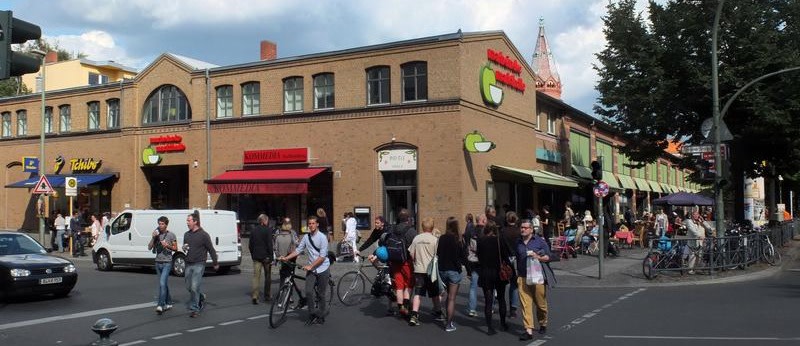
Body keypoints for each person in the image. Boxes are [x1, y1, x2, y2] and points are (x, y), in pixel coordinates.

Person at [278, 215, 331, 325]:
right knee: (308, 291)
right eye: (309, 224)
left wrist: (311, 266)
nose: (311, 225)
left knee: (321, 294)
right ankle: (312, 314)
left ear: (317, 224)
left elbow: (322, 257)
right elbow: (298, 250)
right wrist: (286, 257)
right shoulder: (306, 238)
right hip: (312, 270)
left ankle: (321, 315)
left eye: (313, 223)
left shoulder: (322, 238)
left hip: (322, 269)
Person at [516, 219, 554, 341]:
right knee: (525, 304)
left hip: (537, 277)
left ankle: (543, 323)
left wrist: (537, 257)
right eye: (521, 227)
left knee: (540, 304)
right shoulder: (518, 242)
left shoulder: (540, 242)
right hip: (522, 276)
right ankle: (528, 330)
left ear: (531, 229)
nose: (522, 229)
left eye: (525, 228)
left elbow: (549, 257)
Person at [476, 220, 510, 335]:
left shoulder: (480, 240)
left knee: (488, 300)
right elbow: (506, 256)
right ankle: (503, 323)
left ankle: (489, 327)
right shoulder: (500, 240)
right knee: (501, 298)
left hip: (485, 271)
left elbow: (479, 257)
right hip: (498, 271)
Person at [407, 217, 443, 326]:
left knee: (418, 293)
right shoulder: (435, 240)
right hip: (431, 271)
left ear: (422, 227)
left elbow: (411, 254)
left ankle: (414, 314)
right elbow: (438, 255)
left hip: (419, 270)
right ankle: (438, 311)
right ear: (432, 227)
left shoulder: (416, 238)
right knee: (434, 293)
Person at [183, 211, 219, 318]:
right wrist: (184, 248)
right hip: (188, 263)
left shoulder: (204, 235)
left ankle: (195, 309)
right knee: (188, 287)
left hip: (199, 263)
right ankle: (201, 296)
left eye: (189, 221)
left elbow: (211, 249)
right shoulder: (187, 234)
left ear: (195, 222)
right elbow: (185, 247)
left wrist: (215, 262)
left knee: (194, 287)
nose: (187, 223)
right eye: (187, 221)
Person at [386, 208, 417, 318]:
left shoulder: (392, 229)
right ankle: (406, 305)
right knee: (409, 284)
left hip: (394, 261)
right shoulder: (411, 231)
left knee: (399, 285)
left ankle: (400, 308)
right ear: (408, 219)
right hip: (406, 261)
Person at [437, 217, 465, 332]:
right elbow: (462, 255)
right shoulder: (458, 239)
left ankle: (444, 315)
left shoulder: (442, 238)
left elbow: (438, 253)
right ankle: (449, 324)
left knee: (447, 295)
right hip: (454, 270)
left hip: (443, 270)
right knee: (452, 298)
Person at [148, 216, 177, 314]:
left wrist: (167, 246)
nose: (160, 226)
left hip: (167, 262)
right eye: (159, 224)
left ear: (166, 224)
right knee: (163, 283)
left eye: (162, 224)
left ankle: (161, 304)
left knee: (162, 283)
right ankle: (169, 302)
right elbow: (149, 247)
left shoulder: (171, 235)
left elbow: (175, 248)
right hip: (158, 262)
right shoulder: (156, 234)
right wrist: (153, 237)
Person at [249, 214, 274, 304]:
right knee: (268, 276)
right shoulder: (267, 230)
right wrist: (271, 256)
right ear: (264, 221)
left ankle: (255, 296)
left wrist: (252, 254)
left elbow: (250, 245)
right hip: (266, 257)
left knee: (256, 277)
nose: (268, 222)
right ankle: (267, 295)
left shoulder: (253, 230)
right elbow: (269, 244)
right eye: (267, 221)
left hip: (256, 256)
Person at [500, 211, 520, 318]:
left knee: (502, 283)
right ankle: (513, 308)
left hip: (505, 259)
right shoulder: (519, 231)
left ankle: (499, 303)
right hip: (517, 259)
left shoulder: (502, 231)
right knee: (514, 285)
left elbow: (500, 246)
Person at [464, 214, 485, 317]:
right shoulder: (487, 231)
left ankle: (472, 309)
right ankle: (490, 307)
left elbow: (467, 245)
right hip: (485, 262)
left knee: (473, 286)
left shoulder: (471, 231)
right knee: (489, 286)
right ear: (483, 220)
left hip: (474, 261)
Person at [273, 217, 299, 285]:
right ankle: (289, 290)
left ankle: (282, 290)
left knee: (282, 275)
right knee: (290, 274)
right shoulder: (292, 233)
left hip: (281, 258)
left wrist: (278, 256)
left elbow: (275, 247)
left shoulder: (278, 232)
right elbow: (296, 244)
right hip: (290, 257)